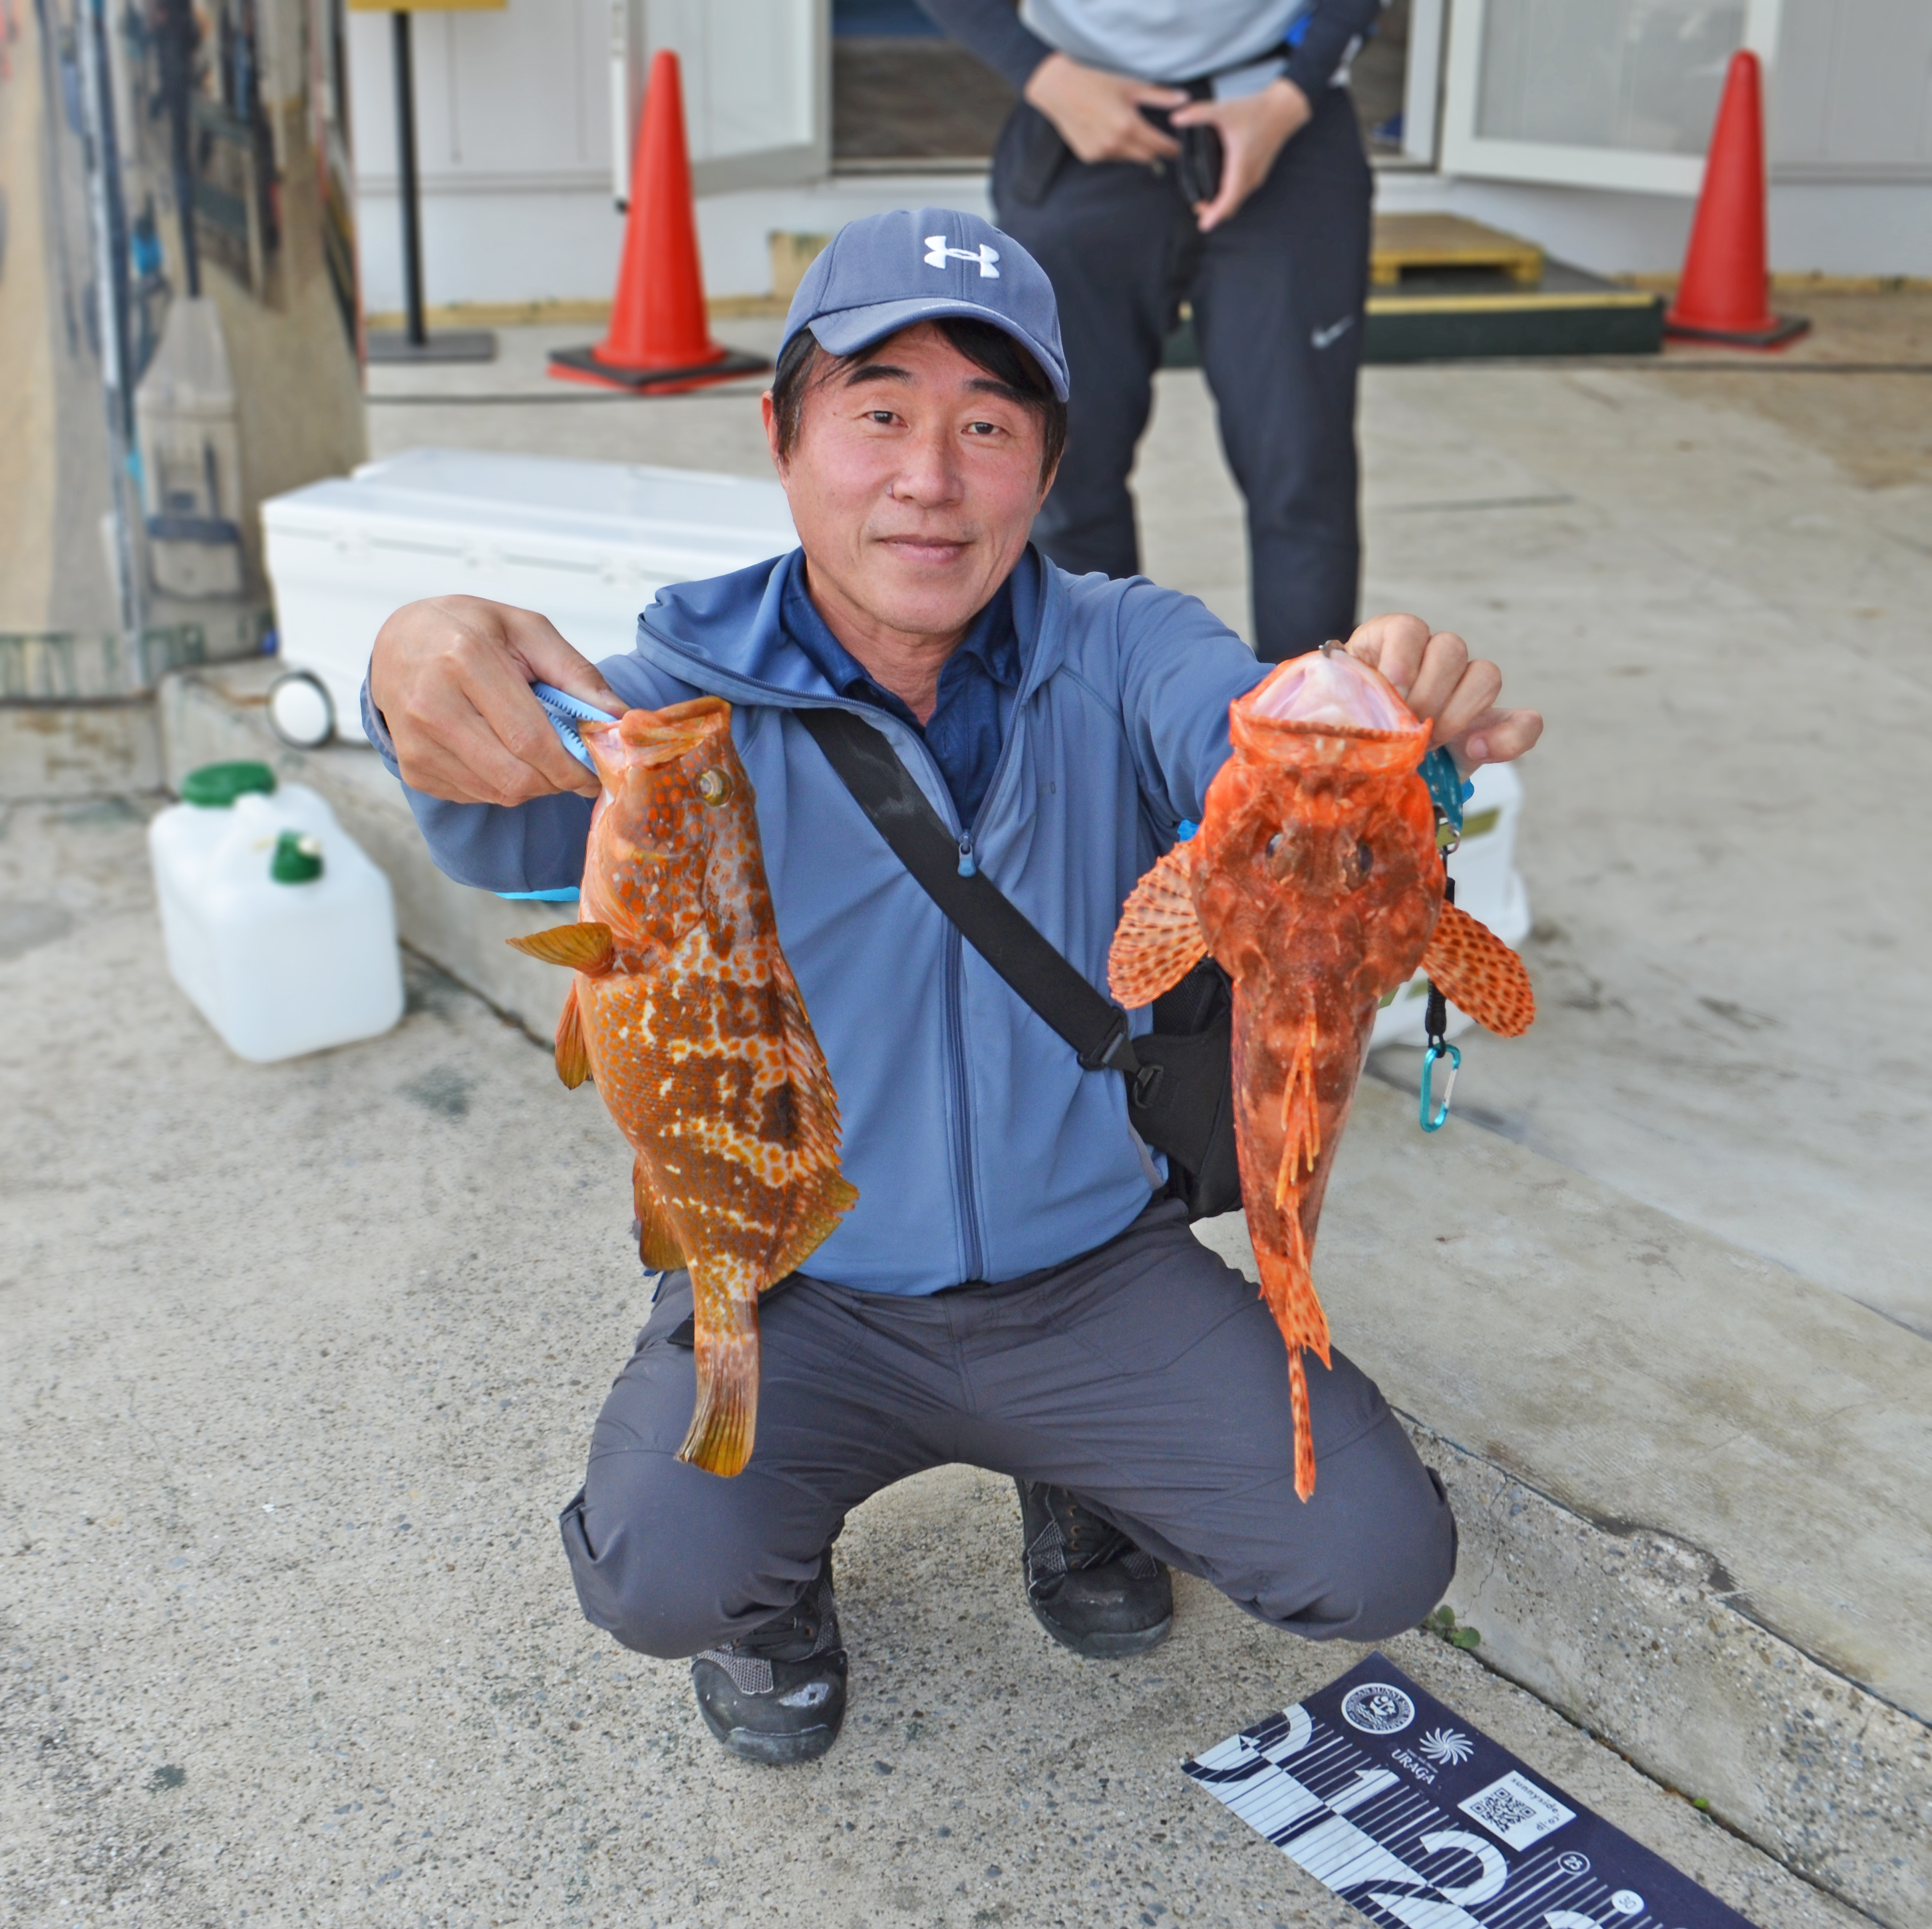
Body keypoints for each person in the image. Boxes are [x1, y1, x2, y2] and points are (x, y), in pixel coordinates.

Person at [366, 208, 1540, 1766]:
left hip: (1090, 1277)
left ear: (1047, 470)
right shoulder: (664, 702)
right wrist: (408, 660)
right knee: (667, 1569)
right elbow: (487, 792)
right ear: (780, 440)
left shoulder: (1128, 647)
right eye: (875, 413)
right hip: (803, 1276)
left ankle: (1082, 1467)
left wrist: (1370, 734)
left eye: (986, 425)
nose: (927, 476)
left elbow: (1245, 740)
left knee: (1373, 1554)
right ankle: (766, 1595)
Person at [919, 0, 1384, 661]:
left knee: (1302, 471)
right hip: (1078, 117)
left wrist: (1291, 95)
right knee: (1062, 471)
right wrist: (1041, 75)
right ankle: (1095, 726)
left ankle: (1308, 745)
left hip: (1283, 113)